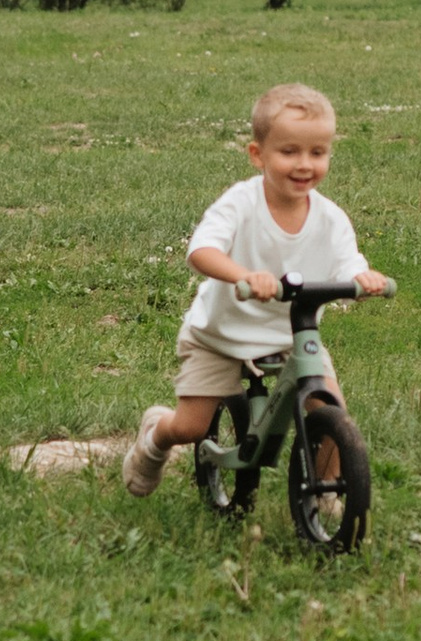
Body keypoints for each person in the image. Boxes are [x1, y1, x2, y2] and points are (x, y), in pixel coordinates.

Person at [123, 81, 393, 495]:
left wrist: (364, 277)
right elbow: (202, 250)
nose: (305, 164)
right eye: (289, 152)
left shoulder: (331, 217)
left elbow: (348, 261)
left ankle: (328, 497)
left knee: (330, 407)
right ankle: (154, 440)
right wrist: (242, 275)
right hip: (220, 335)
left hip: (292, 335)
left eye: (317, 152)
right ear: (257, 155)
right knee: (192, 426)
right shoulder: (241, 203)